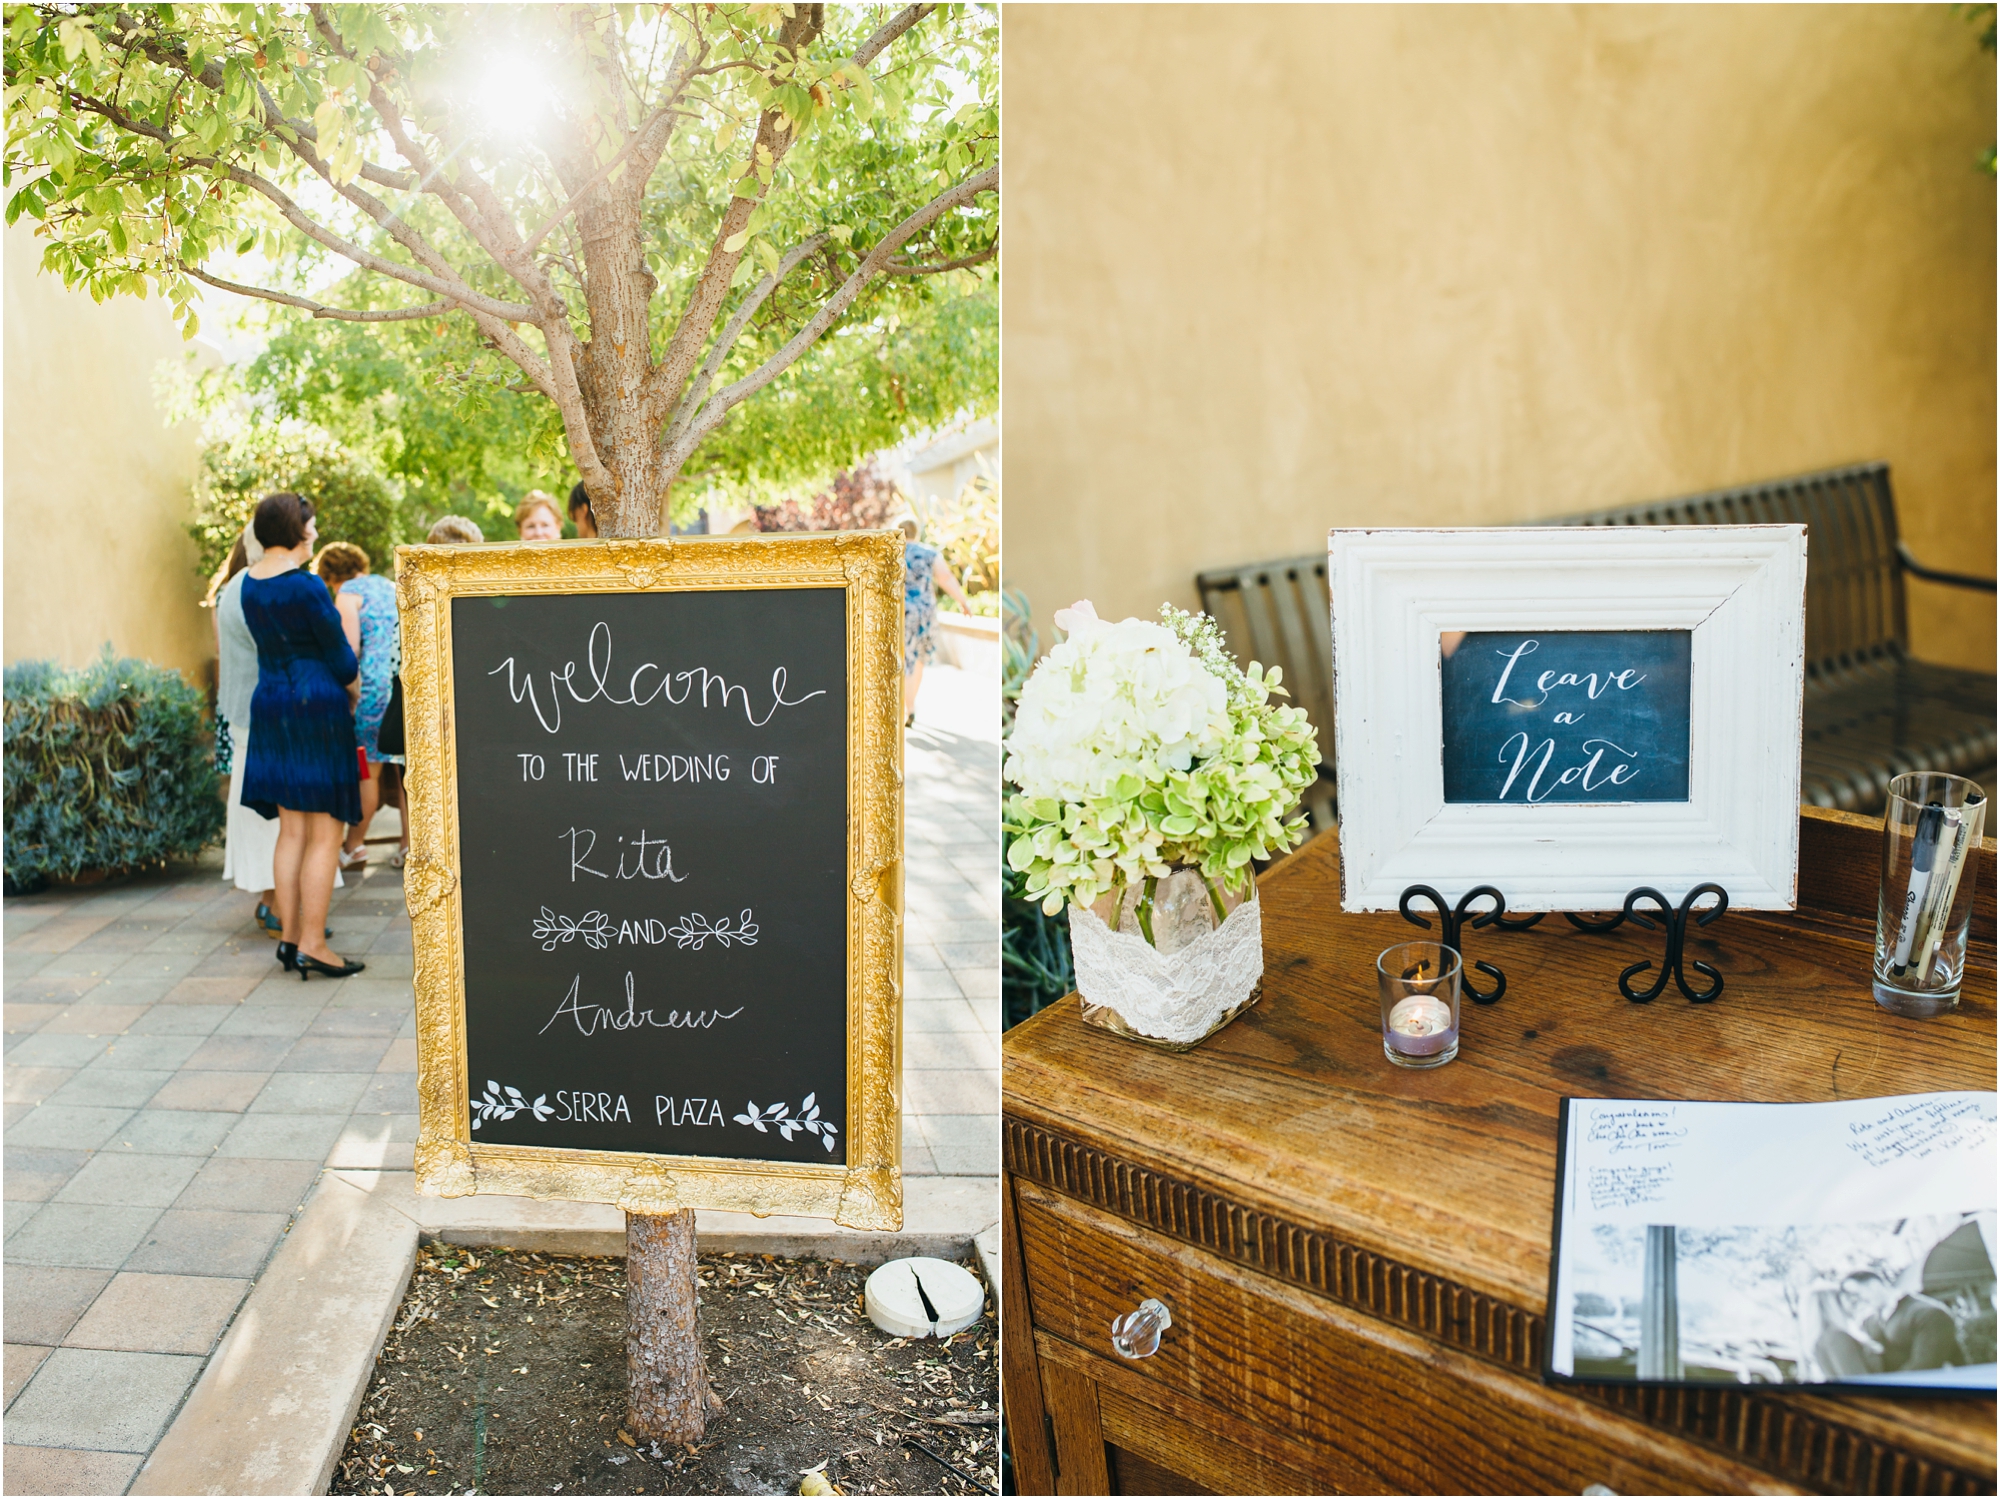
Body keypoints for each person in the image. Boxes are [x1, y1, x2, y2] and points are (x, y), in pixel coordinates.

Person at [239, 493, 367, 980]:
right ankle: (314, 942)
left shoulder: (248, 585)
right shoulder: (308, 587)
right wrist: (352, 692)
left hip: (272, 703)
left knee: (291, 830)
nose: (315, 532)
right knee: (326, 830)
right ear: (298, 529)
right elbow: (342, 661)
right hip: (315, 706)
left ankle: (290, 937)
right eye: (310, 524)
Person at [316, 542, 403, 872]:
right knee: (403, 772)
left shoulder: (348, 594)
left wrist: (345, 695)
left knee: (368, 772)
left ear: (330, 575)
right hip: (400, 686)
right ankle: (409, 844)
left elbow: (349, 652)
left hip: (370, 694)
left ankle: (354, 846)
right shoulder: (390, 585)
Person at [889, 502, 972, 726]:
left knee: (902, 659)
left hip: (898, 612)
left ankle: (908, 707)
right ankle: (911, 706)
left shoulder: (890, 554)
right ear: (916, 532)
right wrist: (962, 601)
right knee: (918, 661)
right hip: (924, 613)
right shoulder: (929, 553)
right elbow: (945, 578)